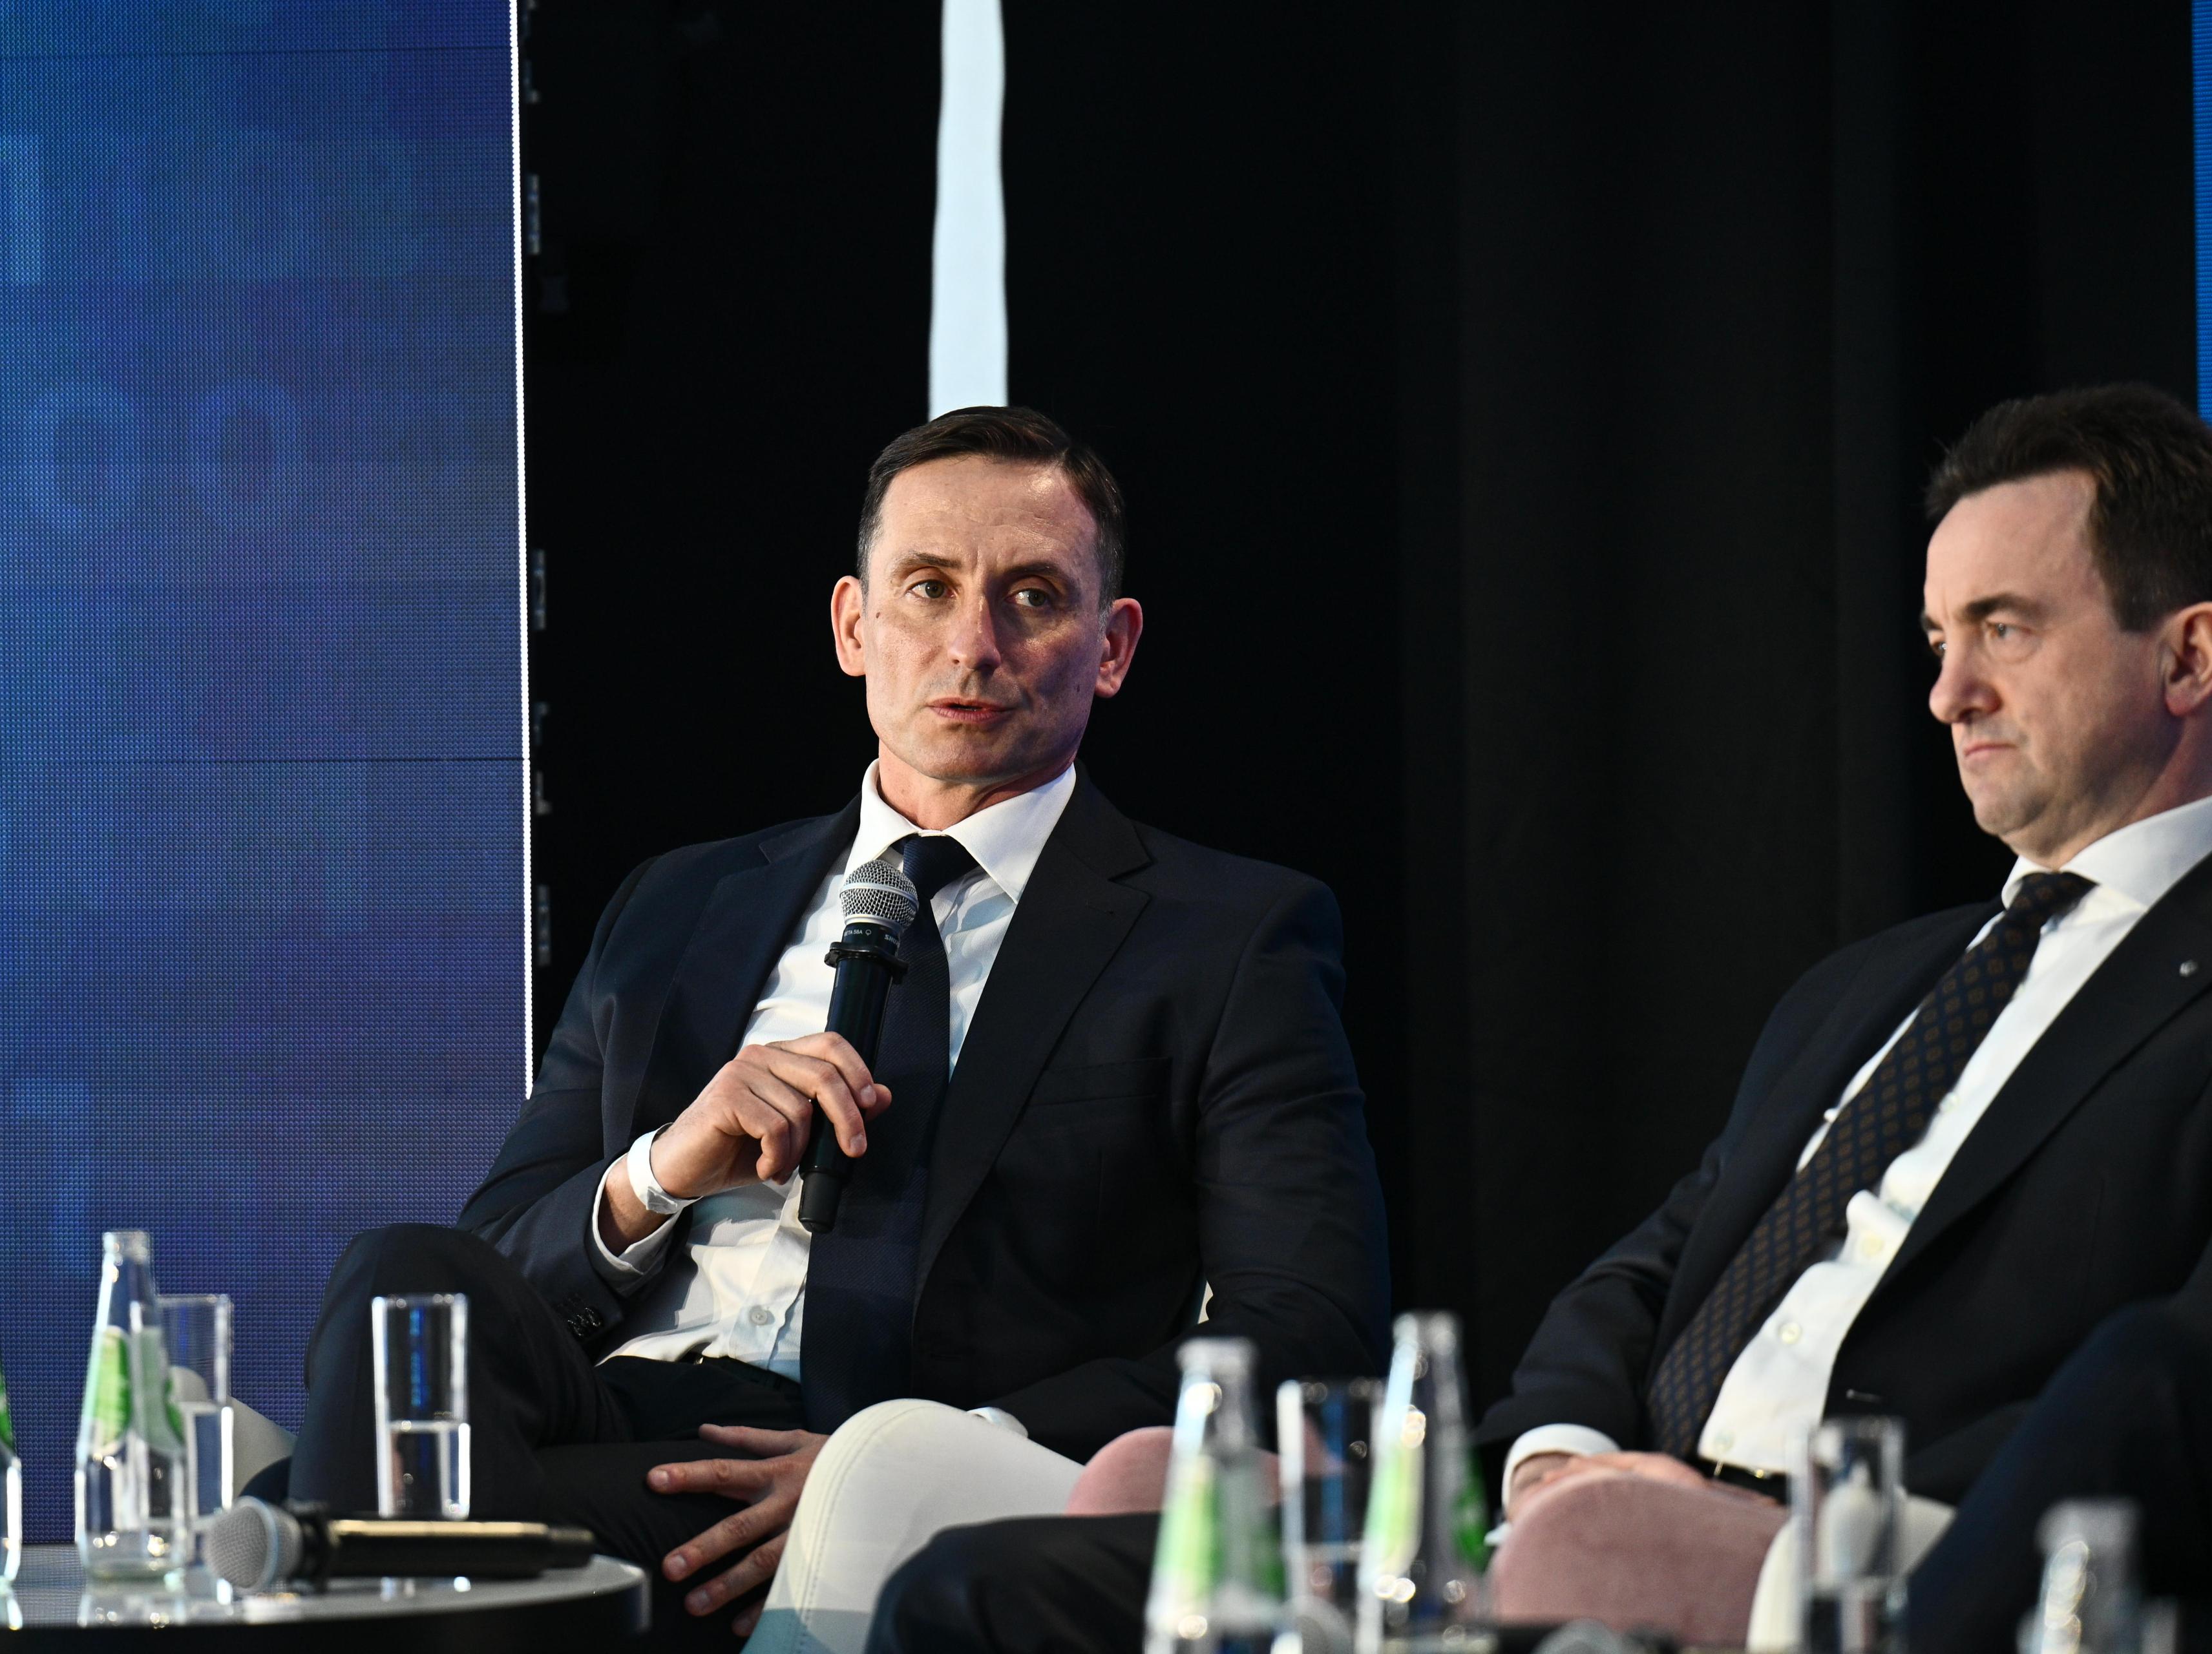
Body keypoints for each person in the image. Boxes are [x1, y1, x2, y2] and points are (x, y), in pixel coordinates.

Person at [863, 382, 2212, 1653]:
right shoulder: (1871, 989)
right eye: (1938, 639)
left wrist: (1812, 1528)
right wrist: (1560, 1455)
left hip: (1877, 1572)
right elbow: (1645, 1277)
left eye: (2005, 630)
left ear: (2190, 654)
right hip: (1580, 1530)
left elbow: (2162, 1399)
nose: (1948, 692)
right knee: (981, 1587)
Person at [278, 406, 1394, 1648]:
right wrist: (661, 1171)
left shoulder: (1229, 936)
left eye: (1032, 597)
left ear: (1113, 646)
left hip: (871, 1460)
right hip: (602, 1408)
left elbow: (1308, 1326)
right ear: (854, 627)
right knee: (404, 1275)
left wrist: (926, 1460)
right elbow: (498, 1261)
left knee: (289, 1533)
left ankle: (320, 1554)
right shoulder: (678, 902)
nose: (972, 644)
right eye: (928, 588)